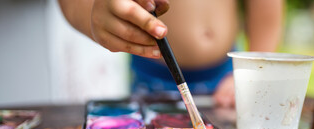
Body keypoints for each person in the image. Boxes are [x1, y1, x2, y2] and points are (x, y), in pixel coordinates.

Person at [58, 0, 283, 107]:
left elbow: (266, 6)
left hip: (229, 83)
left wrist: (253, 69)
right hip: (152, 82)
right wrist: (93, 17)